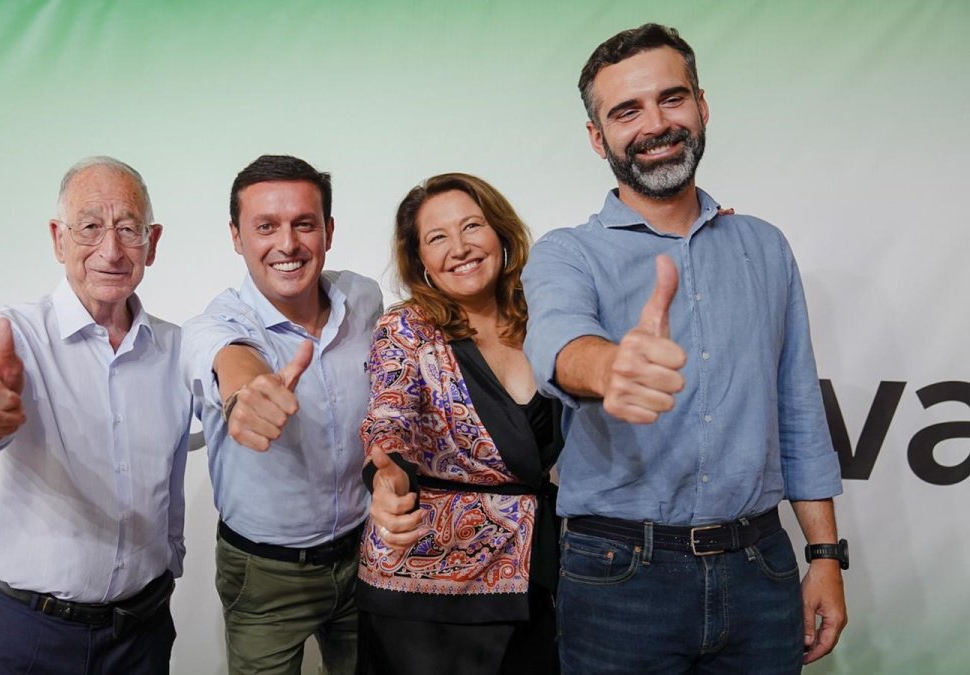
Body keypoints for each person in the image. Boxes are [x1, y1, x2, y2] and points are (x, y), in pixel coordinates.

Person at [522, 24, 849, 674]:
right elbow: (557, 346)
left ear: (702, 104)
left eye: (671, 99)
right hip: (619, 575)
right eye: (626, 110)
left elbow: (798, 413)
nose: (656, 123)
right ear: (598, 137)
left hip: (762, 567)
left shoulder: (765, 246)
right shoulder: (568, 253)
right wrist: (610, 365)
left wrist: (825, 556)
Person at [0, 156, 192, 674]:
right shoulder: (13, 332)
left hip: (138, 640)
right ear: (58, 239)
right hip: (17, 634)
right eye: (90, 227)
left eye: (128, 229)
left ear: (153, 242)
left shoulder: (179, 349)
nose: (111, 250)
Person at [182, 154, 382, 675]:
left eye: (304, 224)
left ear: (329, 231)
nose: (287, 245)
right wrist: (246, 392)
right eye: (265, 226)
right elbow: (230, 357)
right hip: (266, 575)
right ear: (236, 236)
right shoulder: (217, 322)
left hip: (367, 556)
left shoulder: (364, 298)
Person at [358, 173, 561, 674]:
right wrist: (387, 477)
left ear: (500, 233)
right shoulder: (406, 327)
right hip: (428, 597)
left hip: (536, 574)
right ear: (420, 259)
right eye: (437, 238)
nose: (460, 247)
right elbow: (389, 417)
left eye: (472, 226)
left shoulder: (543, 315)